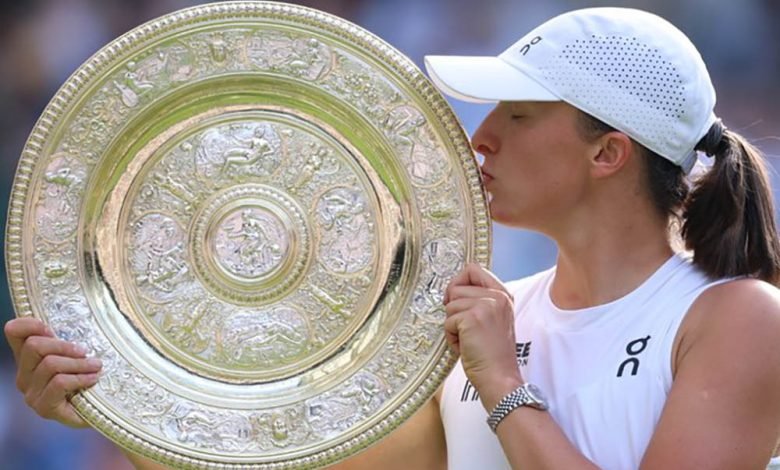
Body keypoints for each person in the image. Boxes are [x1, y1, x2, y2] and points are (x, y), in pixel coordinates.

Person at [6, 7, 780, 470]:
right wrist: (114, 409)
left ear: (607, 153)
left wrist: (503, 386)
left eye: (517, 115)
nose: (480, 138)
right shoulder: (486, 316)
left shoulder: (739, 319)